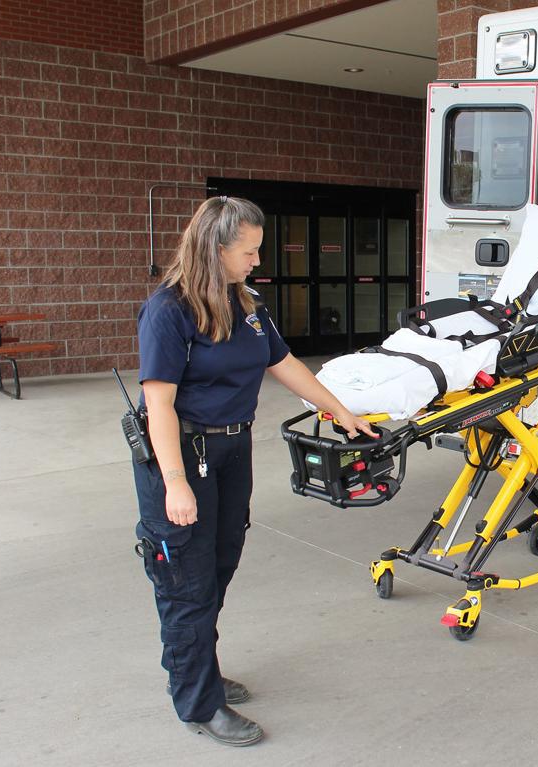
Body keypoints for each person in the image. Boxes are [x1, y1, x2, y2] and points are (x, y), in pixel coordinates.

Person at [132, 196, 375, 747]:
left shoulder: (246, 303)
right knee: (186, 581)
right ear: (214, 249)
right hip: (182, 457)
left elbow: (282, 362)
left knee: (219, 565)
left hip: (232, 450)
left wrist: (340, 411)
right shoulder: (169, 310)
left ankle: (197, 669)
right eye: (249, 251)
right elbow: (159, 405)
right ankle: (198, 703)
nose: (257, 261)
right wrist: (174, 482)